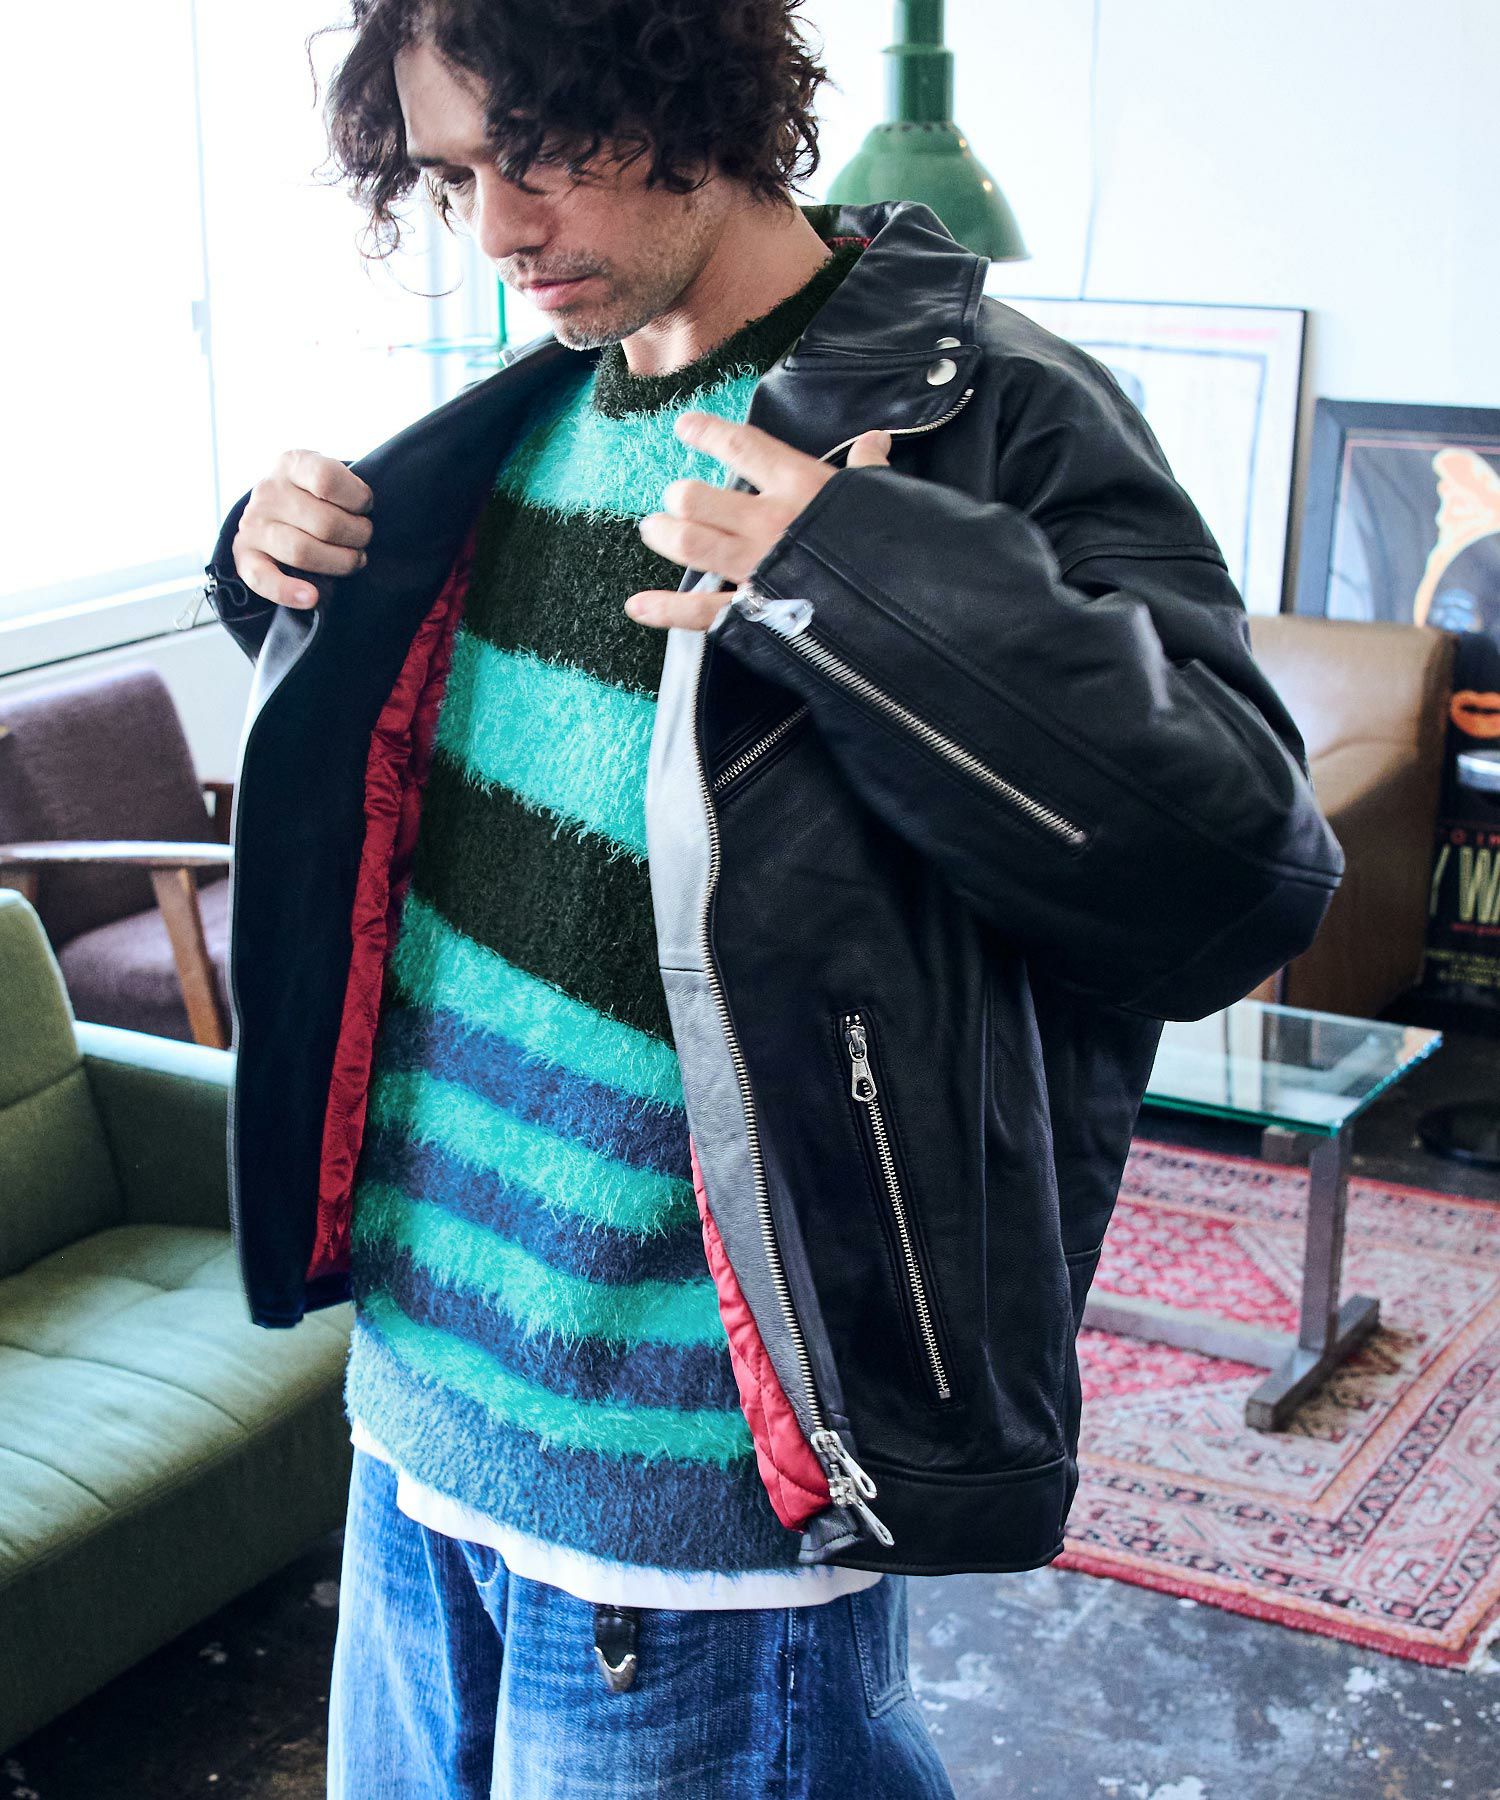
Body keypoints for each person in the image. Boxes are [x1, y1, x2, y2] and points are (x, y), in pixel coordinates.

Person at [202, 2, 1343, 1795]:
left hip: (692, 1494)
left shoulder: (993, 415)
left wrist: (862, 592)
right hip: (418, 1420)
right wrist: (273, 583)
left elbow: (1237, 872)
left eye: (539, 155)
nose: (496, 230)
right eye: (453, 176)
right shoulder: (522, 418)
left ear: (692, 94)